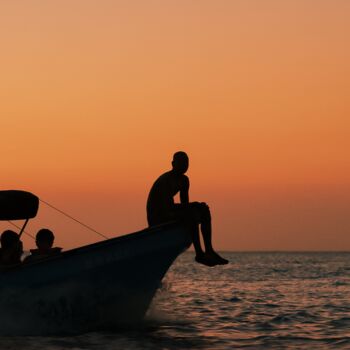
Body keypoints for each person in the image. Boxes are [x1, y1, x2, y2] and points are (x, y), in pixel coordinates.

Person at [147, 151, 228, 266]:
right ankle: (199, 253)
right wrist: (193, 206)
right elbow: (168, 207)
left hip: (169, 211)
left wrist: (197, 206)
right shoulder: (166, 181)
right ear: (173, 164)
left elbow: (185, 204)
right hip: (158, 216)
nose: (184, 166)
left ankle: (209, 250)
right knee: (191, 214)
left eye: (186, 163)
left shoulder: (184, 180)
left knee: (204, 210)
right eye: (181, 163)